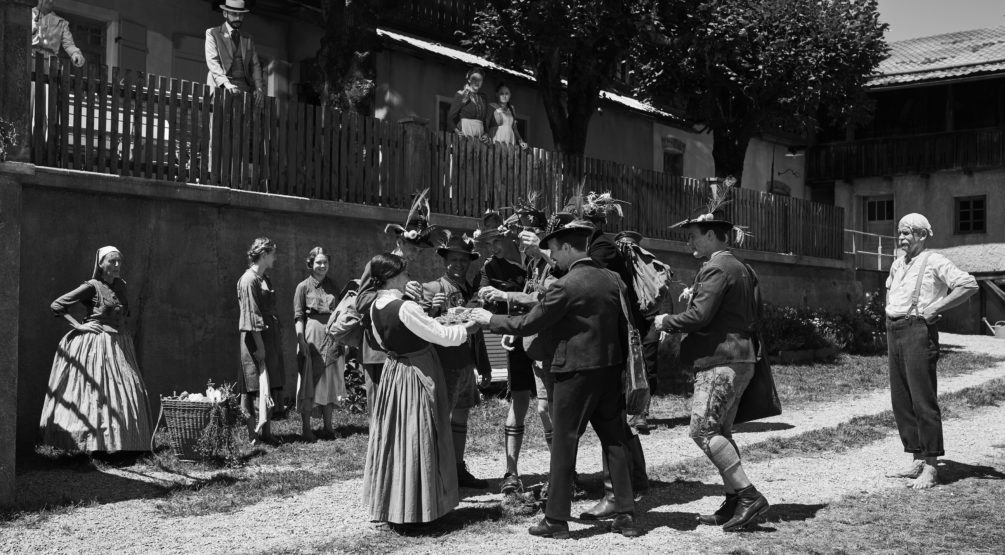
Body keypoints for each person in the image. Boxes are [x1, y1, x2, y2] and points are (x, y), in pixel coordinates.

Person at [470, 216, 643, 540]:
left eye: (554, 250)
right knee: (615, 441)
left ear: (566, 247)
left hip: (573, 373)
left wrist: (489, 318)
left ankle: (556, 520)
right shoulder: (612, 279)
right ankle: (626, 515)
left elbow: (528, 325)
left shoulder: (565, 285)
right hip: (609, 370)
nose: (553, 256)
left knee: (564, 443)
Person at [652, 200, 769, 532]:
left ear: (713, 236)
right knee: (721, 431)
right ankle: (734, 502)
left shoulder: (717, 268)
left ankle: (748, 496)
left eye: (694, 236)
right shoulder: (744, 268)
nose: (689, 242)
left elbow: (700, 316)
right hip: (741, 356)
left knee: (702, 430)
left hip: (722, 359)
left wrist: (666, 321)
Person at [362, 253, 481, 527]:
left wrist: (435, 324)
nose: (408, 278)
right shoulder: (405, 307)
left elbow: (387, 341)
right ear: (392, 277)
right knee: (420, 436)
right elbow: (442, 337)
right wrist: (469, 328)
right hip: (416, 373)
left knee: (394, 438)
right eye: (404, 274)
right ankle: (420, 508)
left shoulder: (375, 305)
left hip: (394, 373)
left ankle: (392, 504)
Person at [883, 213, 977, 489]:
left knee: (923, 399)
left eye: (907, 233)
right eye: (899, 232)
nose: (901, 238)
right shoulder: (897, 264)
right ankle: (916, 458)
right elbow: (891, 294)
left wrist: (936, 308)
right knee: (901, 398)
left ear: (922, 236)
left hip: (918, 331)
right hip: (894, 329)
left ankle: (932, 465)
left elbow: (968, 284)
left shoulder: (934, 261)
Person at [40, 246, 152, 455]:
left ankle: (123, 445)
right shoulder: (92, 286)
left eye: (119, 261)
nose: (117, 265)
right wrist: (79, 325)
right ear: (101, 264)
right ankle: (92, 446)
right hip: (97, 345)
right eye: (112, 261)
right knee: (96, 395)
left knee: (127, 390)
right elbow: (57, 305)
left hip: (120, 344)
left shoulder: (121, 286)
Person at [476, 206, 556, 495]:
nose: (525, 239)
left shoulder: (550, 262)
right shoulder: (526, 264)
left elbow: (543, 298)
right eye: (522, 233)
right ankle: (511, 472)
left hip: (543, 343)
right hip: (519, 338)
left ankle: (561, 474)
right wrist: (511, 328)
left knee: (547, 408)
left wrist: (505, 295)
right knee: (518, 401)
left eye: (530, 233)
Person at [354, 189, 445, 415]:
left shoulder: (407, 273)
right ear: (399, 241)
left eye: (419, 250)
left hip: (400, 352)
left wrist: (429, 306)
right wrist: (400, 293)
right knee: (380, 410)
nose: (416, 253)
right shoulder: (379, 264)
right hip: (378, 349)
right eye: (413, 248)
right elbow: (362, 301)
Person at [422, 235, 492, 489]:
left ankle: (458, 467)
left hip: (464, 364)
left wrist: (483, 365)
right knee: (441, 418)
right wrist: (431, 310)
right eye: (453, 260)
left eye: (463, 260)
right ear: (445, 261)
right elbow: (418, 327)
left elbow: (478, 331)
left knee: (461, 416)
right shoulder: (432, 288)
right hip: (443, 363)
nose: (459, 265)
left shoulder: (470, 292)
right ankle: (438, 471)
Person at [294, 247, 346, 442]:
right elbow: (298, 317)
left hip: (332, 337)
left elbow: (341, 313)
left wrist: (342, 338)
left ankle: (328, 427)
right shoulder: (303, 287)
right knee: (310, 381)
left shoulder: (333, 285)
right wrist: (301, 340)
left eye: (325, 262)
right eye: (318, 262)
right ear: (311, 264)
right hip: (312, 337)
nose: (322, 266)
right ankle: (306, 428)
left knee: (329, 380)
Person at [237, 237, 284, 445]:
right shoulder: (249, 280)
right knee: (254, 384)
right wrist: (261, 346)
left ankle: (266, 431)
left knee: (269, 382)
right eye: (273, 253)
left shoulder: (264, 278)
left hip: (269, 337)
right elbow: (250, 315)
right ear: (264, 255)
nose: (275, 257)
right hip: (256, 341)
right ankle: (252, 434)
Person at [205, 0, 265, 105]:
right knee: (218, 120)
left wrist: (259, 88)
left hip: (243, 90)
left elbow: (255, 65)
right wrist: (226, 84)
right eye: (234, 14)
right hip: (221, 87)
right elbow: (213, 62)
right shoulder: (213, 33)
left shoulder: (248, 38)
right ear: (225, 13)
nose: (238, 18)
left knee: (242, 121)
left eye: (241, 15)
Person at [32, 0, 85, 67]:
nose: (51, 1)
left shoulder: (61, 22)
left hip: (50, 64)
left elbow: (69, 44)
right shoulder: (28, 14)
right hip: (30, 60)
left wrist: (75, 53)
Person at [447, 67, 490, 140]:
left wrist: (486, 133)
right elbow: (450, 118)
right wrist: (457, 131)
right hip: (465, 132)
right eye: (474, 79)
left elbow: (484, 121)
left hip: (480, 135)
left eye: (480, 80)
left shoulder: (483, 97)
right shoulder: (461, 94)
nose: (477, 82)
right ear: (469, 80)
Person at [488, 84, 528, 149]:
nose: (504, 96)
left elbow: (514, 129)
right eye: (501, 93)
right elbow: (486, 124)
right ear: (497, 94)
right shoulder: (492, 106)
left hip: (510, 139)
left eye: (507, 93)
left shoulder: (512, 109)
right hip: (496, 138)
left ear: (510, 95)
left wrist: (521, 141)